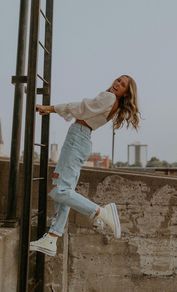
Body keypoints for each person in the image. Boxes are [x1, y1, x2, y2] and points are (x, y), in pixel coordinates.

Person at [30, 75, 140, 256]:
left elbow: (80, 108)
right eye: (118, 80)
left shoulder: (109, 98)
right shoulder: (113, 102)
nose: (117, 83)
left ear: (125, 92)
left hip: (77, 138)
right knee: (65, 190)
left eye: (122, 84)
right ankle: (52, 237)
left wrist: (50, 108)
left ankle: (100, 212)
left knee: (61, 191)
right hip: (81, 138)